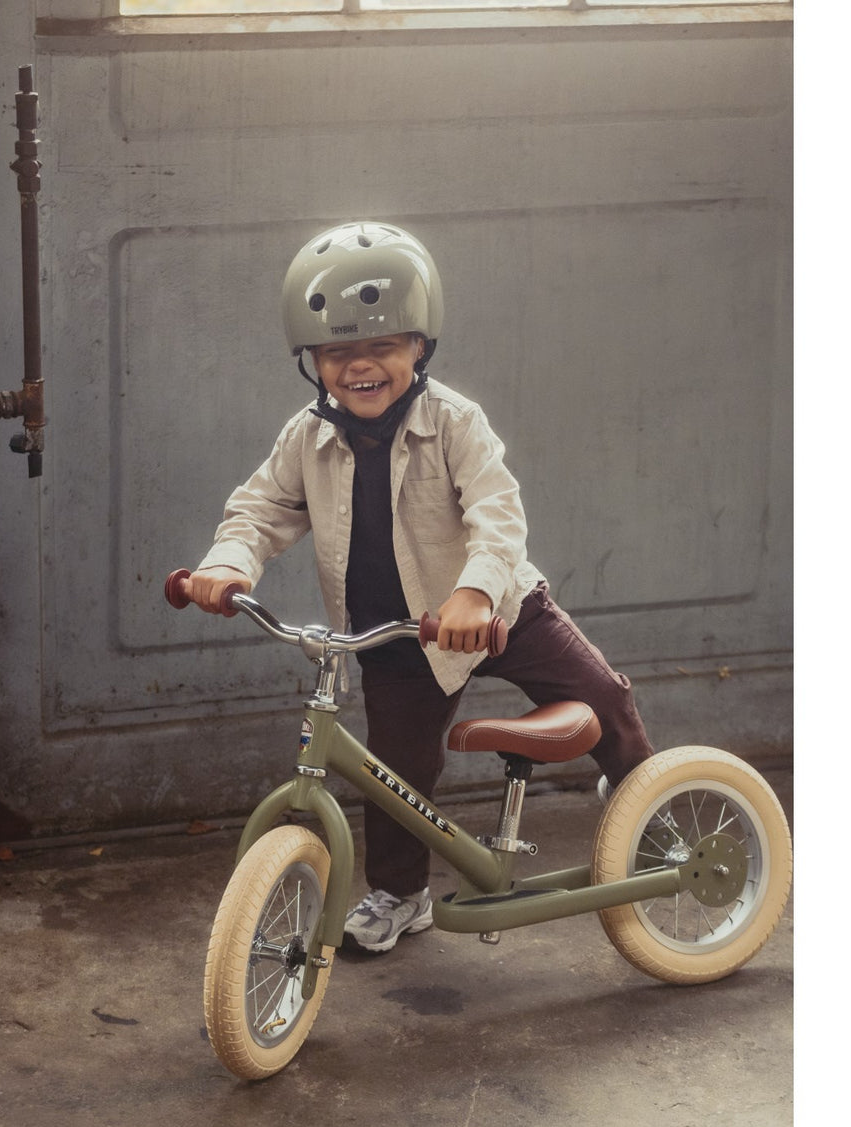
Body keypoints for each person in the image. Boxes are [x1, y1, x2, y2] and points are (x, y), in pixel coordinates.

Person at [179, 220, 654, 954]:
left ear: (420, 348)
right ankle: (401, 896)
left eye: (382, 347)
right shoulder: (305, 438)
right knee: (396, 774)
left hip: (495, 611)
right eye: (338, 352)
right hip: (392, 634)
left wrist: (473, 594)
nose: (360, 366)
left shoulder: (456, 423)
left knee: (606, 697)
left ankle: (644, 803)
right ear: (311, 361)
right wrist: (226, 564)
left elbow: (499, 515)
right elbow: (260, 509)